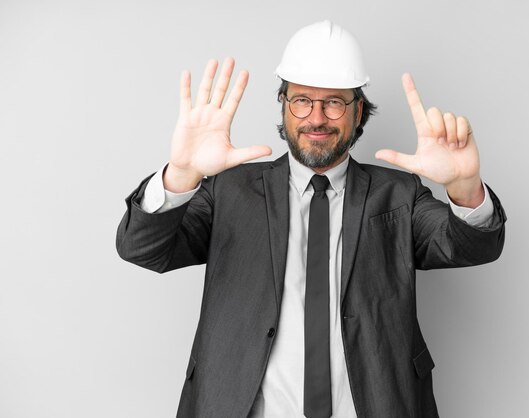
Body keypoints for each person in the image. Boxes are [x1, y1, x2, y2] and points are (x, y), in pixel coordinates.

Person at [116, 20, 506, 418]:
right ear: (284, 106)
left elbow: (470, 246)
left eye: (334, 102)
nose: (316, 118)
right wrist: (181, 175)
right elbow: (143, 249)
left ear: (358, 114)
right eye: (301, 100)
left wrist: (465, 187)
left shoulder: (398, 194)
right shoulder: (229, 191)